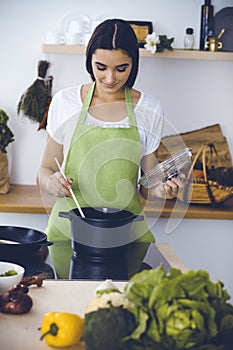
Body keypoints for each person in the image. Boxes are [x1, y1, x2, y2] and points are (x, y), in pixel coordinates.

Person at [37, 18, 184, 279]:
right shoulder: (65, 102)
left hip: (124, 238)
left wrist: (164, 189)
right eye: (100, 67)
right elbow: (45, 170)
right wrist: (52, 183)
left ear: (133, 65)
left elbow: (148, 186)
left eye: (121, 69)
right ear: (89, 60)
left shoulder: (148, 109)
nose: (109, 78)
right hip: (67, 236)